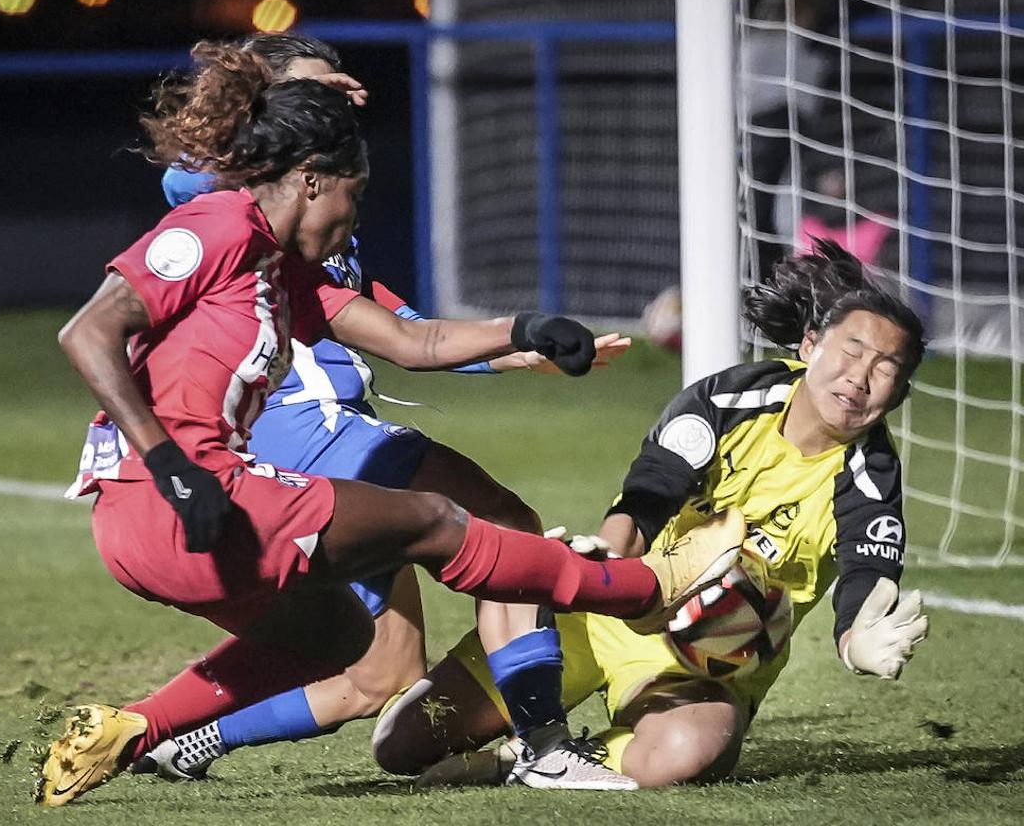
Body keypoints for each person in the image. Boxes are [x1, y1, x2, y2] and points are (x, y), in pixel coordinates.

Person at [36, 41, 744, 806]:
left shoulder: (279, 272)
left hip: (179, 524)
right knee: (446, 519)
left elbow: (417, 341)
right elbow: (87, 332)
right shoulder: (218, 224)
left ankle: (135, 731)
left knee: (348, 647)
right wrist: (173, 465)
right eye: (354, 193)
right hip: (174, 493)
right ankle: (638, 588)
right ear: (309, 177)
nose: (354, 220)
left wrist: (527, 328)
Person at [129, 32, 633, 791]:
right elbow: (182, 178)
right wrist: (287, 87)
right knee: (505, 527)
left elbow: (406, 332)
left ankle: (187, 736)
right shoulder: (235, 198)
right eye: (311, 97)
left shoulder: (320, 220)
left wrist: (515, 351)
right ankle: (546, 745)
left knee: (378, 676)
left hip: (310, 454)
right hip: (314, 433)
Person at [372, 240, 931, 788]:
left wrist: (858, 637)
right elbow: (646, 499)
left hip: (702, 669)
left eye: (885, 368)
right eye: (851, 351)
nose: (860, 377)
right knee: (403, 746)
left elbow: (867, 575)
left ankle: (530, 758)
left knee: (690, 751)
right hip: (609, 608)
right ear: (810, 346)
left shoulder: (868, 479)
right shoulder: (728, 400)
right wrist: (605, 558)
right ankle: (538, 726)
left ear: (899, 392)